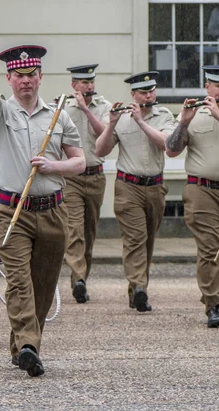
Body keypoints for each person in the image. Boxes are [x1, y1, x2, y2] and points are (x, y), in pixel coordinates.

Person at [0, 18, 85, 377]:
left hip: (52, 212)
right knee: (19, 281)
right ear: (10, 79)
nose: (25, 80)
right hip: (11, 211)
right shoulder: (0, 112)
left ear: (40, 77)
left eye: (31, 73)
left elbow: (80, 162)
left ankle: (20, 343)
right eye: (18, 74)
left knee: (42, 285)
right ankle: (28, 346)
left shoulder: (58, 114)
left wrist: (54, 167)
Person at [165, 65, 219, 327]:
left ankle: (213, 295)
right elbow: (170, 150)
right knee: (210, 246)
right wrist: (183, 121)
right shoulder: (193, 111)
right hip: (200, 189)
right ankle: (214, 304)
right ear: (207, 87)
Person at [95, 71, 176, 312]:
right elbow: (101, 150)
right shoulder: (121, 117)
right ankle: (140, 286)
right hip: (127, 186)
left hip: (155, 186)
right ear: (133, 94)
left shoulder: (164, 116)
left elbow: (167, 144)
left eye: (151, 90)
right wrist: (110, 124)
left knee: (148, 240)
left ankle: (136, 290)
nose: (148, 95)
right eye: (143, 92)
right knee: (135, 238)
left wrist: (141, 122)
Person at [63, 64, 112, 303]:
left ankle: (79, 280)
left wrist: (86, 110)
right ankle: (79, 278)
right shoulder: (61, 106)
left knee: (89, 232)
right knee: (75, 230)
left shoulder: (104, 107)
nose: (89, 86)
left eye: (91, 82)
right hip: (71, 178)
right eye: (83, 83)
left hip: (95, 176)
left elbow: (106, 135)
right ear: (74, 85)